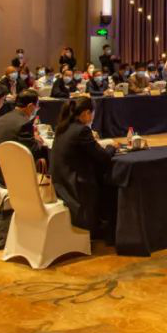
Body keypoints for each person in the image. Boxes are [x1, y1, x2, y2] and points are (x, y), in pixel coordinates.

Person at [50, 96, 116, 239]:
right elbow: (103, 157)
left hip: (60, 181)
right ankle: (104, 228)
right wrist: (112, 147)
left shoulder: (63, 127)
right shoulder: (81, 130)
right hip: (76, 185)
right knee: (109, 182)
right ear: (86, 113)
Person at [0, 89, 45, 187]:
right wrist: (38, 141)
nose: (37, 109)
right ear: (30, 106)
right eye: (37, 106)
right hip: (13, 177)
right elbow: (33, 152)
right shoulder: (24, 123)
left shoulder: (2, 118)